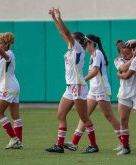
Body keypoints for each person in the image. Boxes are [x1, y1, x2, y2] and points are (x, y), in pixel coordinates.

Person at [45, 8, 97, 153]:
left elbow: (66, 33)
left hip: (78, 86)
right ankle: (60, 146)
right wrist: (54, 19)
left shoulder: (79, 48)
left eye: (73, 38)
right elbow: (63, 33)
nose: (69, 39)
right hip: (70, 87)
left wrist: (60, 18)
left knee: (84, 117)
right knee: (60, 115)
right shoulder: (70, 49)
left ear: (79, 40)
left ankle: (93, 145)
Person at [64, 34, 121, 153]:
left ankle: (124, 142)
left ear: (91, 43)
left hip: (101, 89)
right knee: (84, 115)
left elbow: (95, 71)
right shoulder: (92, 55)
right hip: (93, 90)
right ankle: (74, 142)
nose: (84, 45)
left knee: (109, 116)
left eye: (86, 42)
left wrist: (83, 79)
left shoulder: (97, 53)